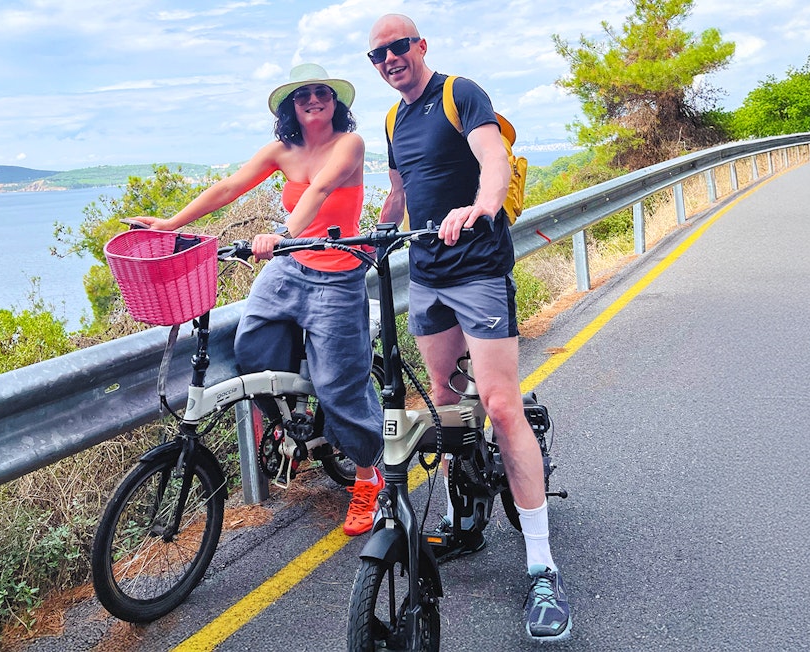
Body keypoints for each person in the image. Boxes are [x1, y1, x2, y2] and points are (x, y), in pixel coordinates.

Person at [367, 14, 573, 641]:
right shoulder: (393, 119)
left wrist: (483, 204)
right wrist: (372, 231)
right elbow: (401, 191)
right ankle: (465, 513)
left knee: (502, 406)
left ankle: (541, 564)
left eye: (398, 47)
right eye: (377, 54)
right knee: (446, 401)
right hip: (426, 275)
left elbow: (493, 158)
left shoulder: (460, 93)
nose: (389, 59)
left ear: (420, 46)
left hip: (478, 268)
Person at [132, 63, 384, 537]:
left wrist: (283, 232)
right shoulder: (281, 150)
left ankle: (369, 477)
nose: (313, 100)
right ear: (290, 105)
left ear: (335, 101)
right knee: (252, 350)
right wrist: (170, 224)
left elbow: (323, 188)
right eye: (302, 95)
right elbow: (229, 187)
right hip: (289, 268)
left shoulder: (349, 143)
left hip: (337, 272)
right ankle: (297, 420)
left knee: (341, 387)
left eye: (321, 93)